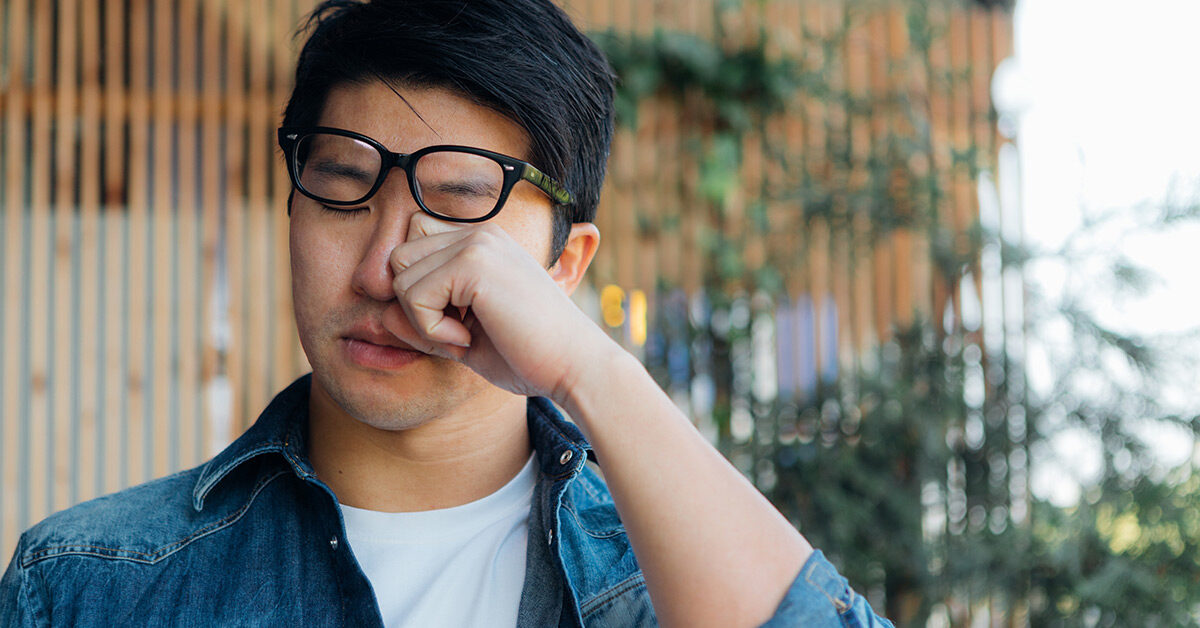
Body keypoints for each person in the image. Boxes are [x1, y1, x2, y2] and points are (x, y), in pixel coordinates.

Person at [1, 1, 892, 626]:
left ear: (565, 264)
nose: (385, 269)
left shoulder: (671, 576)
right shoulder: (87, 588)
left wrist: (589, 369)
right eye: (343, 185)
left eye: (460, 203)